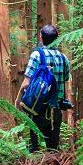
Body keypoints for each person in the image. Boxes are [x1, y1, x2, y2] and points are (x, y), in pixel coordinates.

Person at [16, 24, 71, 152]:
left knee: (33, 149)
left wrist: (18, 99)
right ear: (56, 39)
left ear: (41, 37)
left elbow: (27, 82)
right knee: (53, 150)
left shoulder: (37, 55)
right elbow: (66, 78)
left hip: (37, 109)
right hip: (56, 110)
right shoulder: (63, 58)